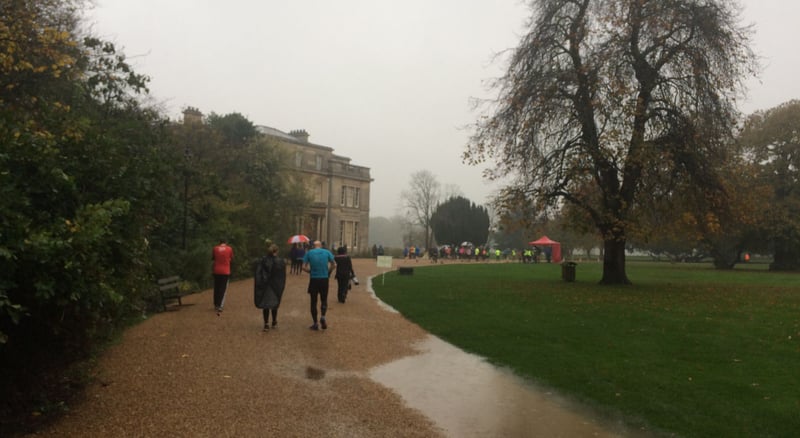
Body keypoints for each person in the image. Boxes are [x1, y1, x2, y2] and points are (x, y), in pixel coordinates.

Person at [302, 240, 335, 330]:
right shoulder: (327, 252)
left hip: (314, 279)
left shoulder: (309, 253)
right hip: (324, 279)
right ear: (320, 246)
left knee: (313, 301)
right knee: (324, 299)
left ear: (313, 246)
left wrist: (310, 271)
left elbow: (303, 267)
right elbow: (334, 264)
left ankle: (315, 323)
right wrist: (328, 272)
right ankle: (323, 316)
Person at [254, 243, 286, 331]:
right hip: (275, 286)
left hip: (265, 285)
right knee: (274, 304)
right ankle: (274, 321)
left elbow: (258, 272)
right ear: (277, 251)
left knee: (265, 304)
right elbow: (282, 275)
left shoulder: (263, 260)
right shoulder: (280, 261)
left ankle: (266, 323)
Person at [212, 238, 234, 315]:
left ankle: (216, 304)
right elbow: (231, 258)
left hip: (216, 271)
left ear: (219, 242)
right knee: (223, 288)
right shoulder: (229, 249)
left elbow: (213, 258)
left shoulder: (215, 248)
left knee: (216, 287)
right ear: (226, 242)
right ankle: (220, 305)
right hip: (225, 271)